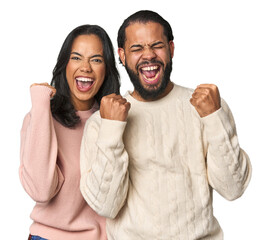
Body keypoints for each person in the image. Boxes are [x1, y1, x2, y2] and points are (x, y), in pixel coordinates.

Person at [80, 11, 252, 240]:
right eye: (137, 48)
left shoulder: (207, 107)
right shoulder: (102, 122)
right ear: (122, 55)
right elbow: (106, 206)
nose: (148, 55)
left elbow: (233, 189)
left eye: (157, 45)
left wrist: (215, 118)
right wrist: (112, 129)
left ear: (171, 49)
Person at [19, 24, 120, 240]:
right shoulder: (41, 119)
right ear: (64, 65)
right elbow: (41, 190)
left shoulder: (114, 123)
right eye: (76, 57)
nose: (86, 67)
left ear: (107, 69)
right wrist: (40, 102)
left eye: (96, 59)